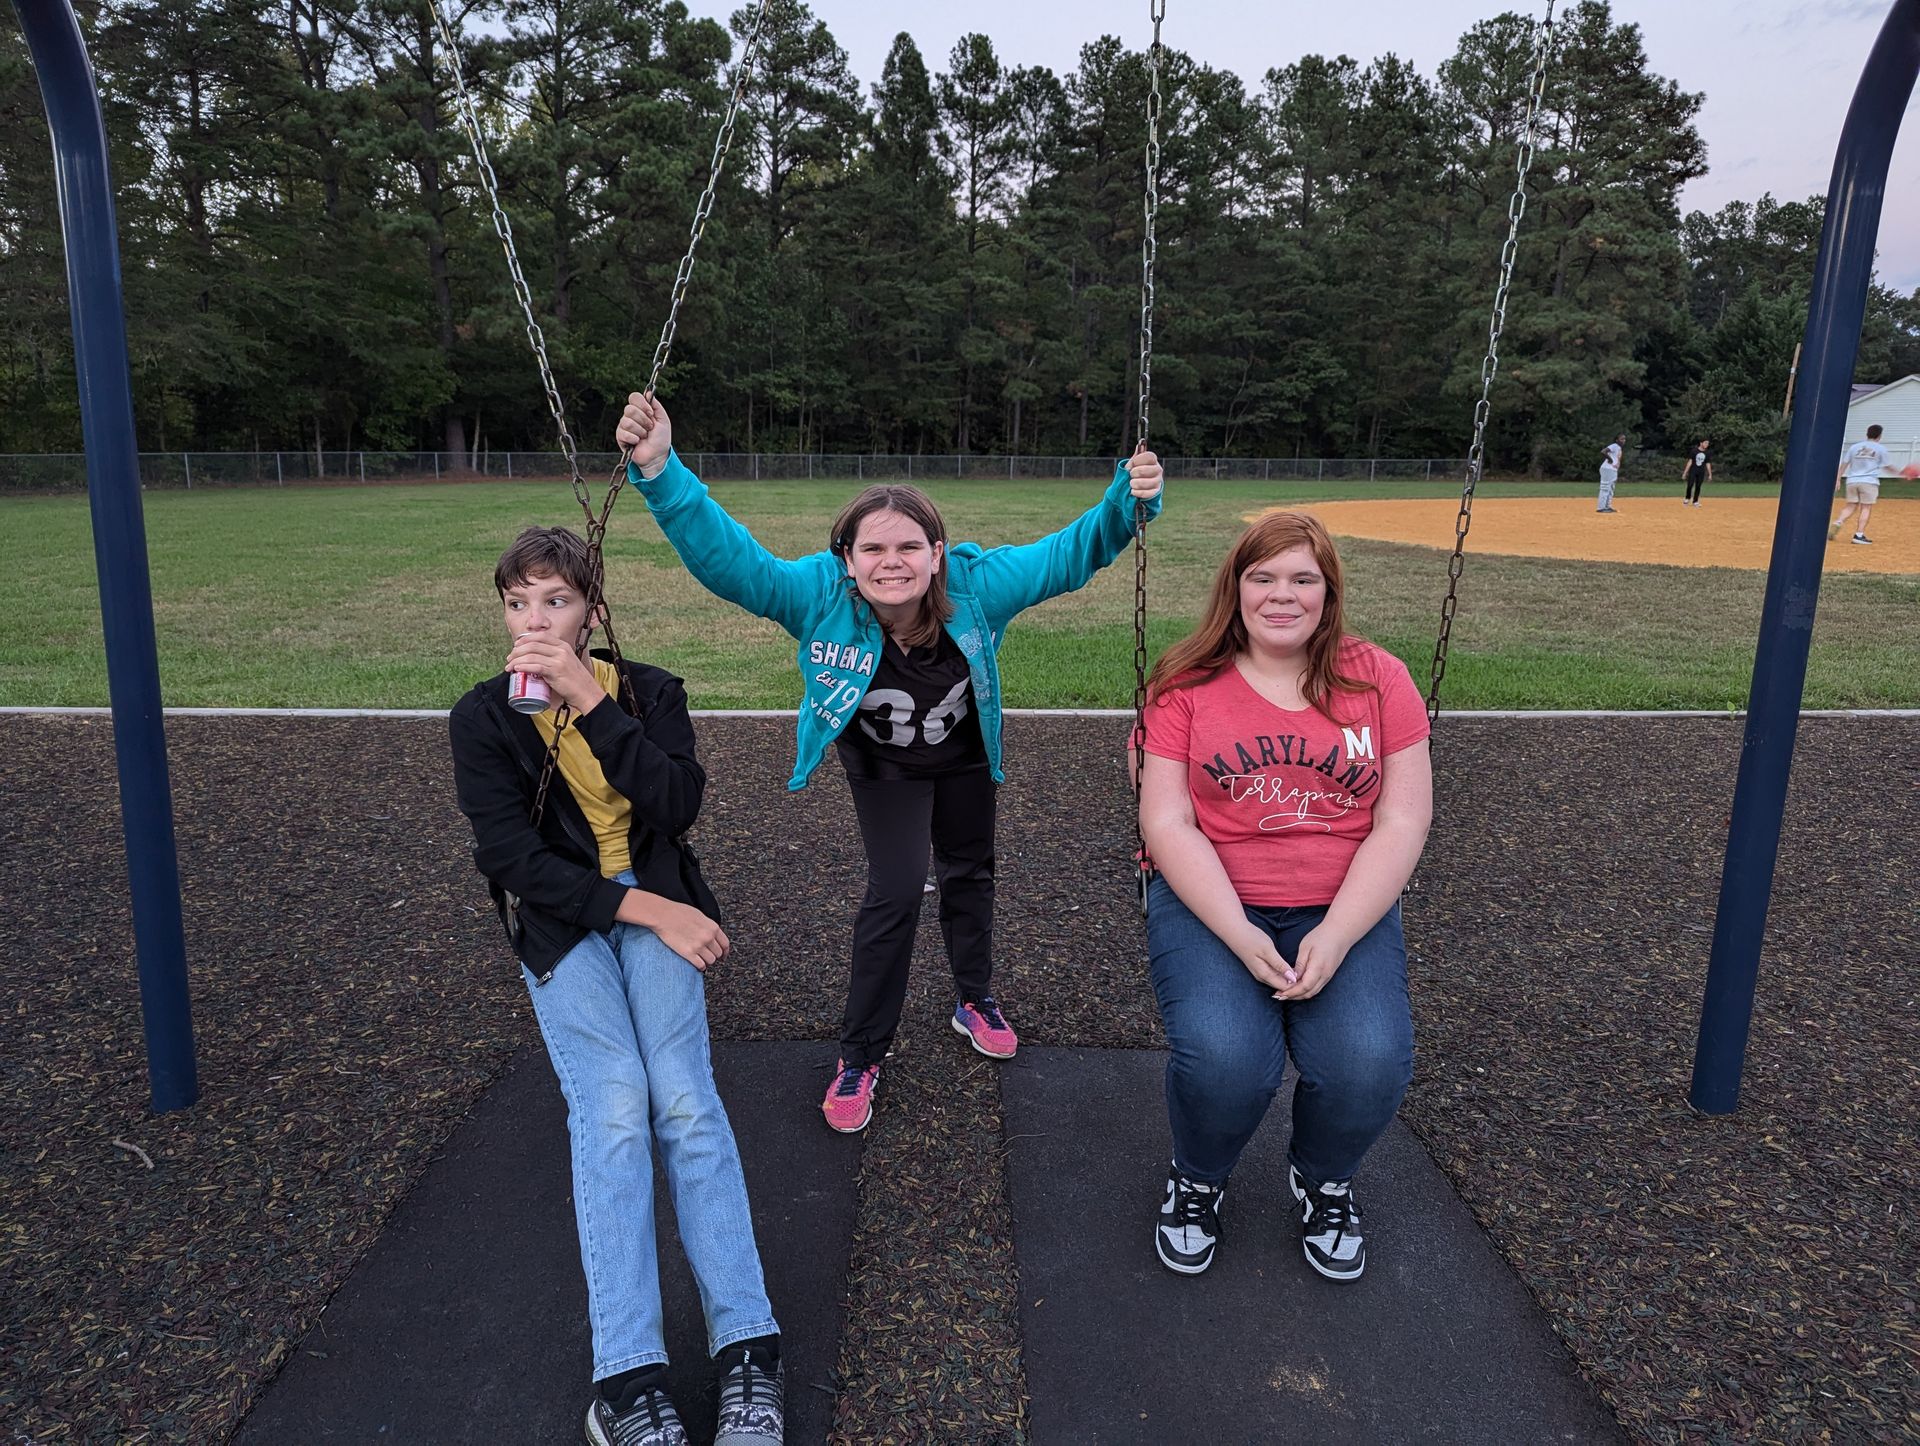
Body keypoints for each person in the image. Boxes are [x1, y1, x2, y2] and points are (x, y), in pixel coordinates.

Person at [615, 394, 1164, 1134]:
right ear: (847, 559)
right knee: (897, 889)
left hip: (964, 755)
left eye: (909, 547)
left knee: (971, 870)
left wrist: (1126, 503)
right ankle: (861, 1053)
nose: (891, 563)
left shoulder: (977, 587)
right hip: (883, 767)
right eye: (872, 549)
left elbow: (1066, 557)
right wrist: (659, 469)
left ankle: (975, 996)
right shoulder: (816, 595)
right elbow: (730, 562)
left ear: (938, 554)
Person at [447, 526, 783, 1446]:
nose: (535, 622)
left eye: (555, 602)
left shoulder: (650, 692)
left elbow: (677, 807)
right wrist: (653, 917)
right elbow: (511, 859)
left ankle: (749, 1351)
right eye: (518, 605)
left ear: (592, 611)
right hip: (566, 919)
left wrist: (592, 698)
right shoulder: (482, 718)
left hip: (657, 890)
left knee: (681, 1098)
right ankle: (626, 1377)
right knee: (612, 1105)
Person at [1137, 510, 1432, 1283]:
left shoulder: (1379, 679)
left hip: (1344, 900)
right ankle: (1197, 1176)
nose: (1282, 595)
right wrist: (1238, 934)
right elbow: (1166, 821)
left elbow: (1403, 818)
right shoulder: (1186, 684)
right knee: (1230, 1061)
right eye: (1263, 578)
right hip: (1213, 899)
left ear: (1330, 594)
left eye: (1304, 579)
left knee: (1369, 1060)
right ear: (1234, 590)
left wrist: (1336, 935)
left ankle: (1321, 1177)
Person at [1830, 423, 1889, 544]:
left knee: (1850, 506)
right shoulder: (1880, 449)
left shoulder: (1855, 447)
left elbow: (1844, 464)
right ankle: (1859, 535)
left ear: (1867, 434)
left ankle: (1837, 523)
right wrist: (1901, 472)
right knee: (1866, 507)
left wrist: (1837, 479)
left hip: (1852, 481)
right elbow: (1887, 466)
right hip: (1869, 481)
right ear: (1879, 436)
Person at [1596, 433, 1626, 512]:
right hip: (1607, 468)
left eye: (1624, 439)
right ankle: (1601, 507)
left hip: (1612, 469)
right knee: (1605, 487)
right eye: (1621, 439)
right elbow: (1603, 451)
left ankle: (1607, 506)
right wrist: (1610, 459)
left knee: (1611, 488)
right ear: (1617, 440)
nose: (1623, 441)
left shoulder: (1618, 448)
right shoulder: (1614, 445)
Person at [1682, 438, 1713, 506]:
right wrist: (1685, 472)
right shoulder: (1694, 451)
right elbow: (1690, 462)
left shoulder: (1707, 453)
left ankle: (1695, 501)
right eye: (1705, 443)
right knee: (1690, 484)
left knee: (1698, 486)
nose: (1706, 445)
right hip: (1693, 470)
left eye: (1707, 443)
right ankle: (1687, 498)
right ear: (1701, 443)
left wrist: (1710, 474)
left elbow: (1708, 464)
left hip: (1701, 471)